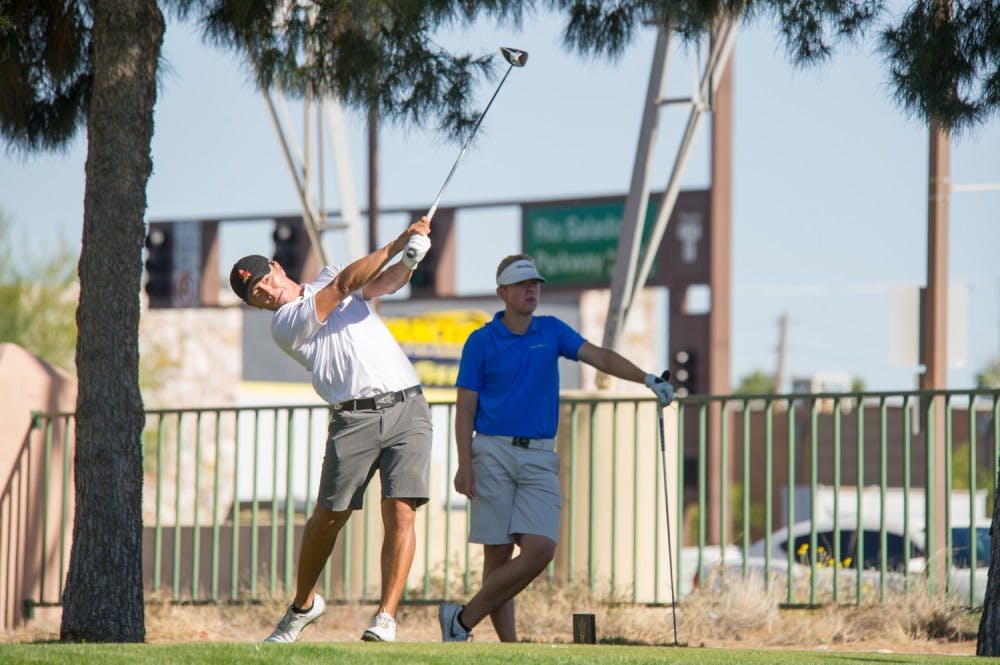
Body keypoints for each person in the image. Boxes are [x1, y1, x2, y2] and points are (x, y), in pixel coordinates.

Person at [438, 254, 674, 642]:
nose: (531, 289)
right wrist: (464, 463)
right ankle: (508, 647)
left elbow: (598, 355)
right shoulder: (480, 341)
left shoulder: (551, 331)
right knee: (496, 555)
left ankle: (461, 621)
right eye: (521, 284)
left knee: (540, 551)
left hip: (539, 455)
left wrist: (646, 378)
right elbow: (466, 407)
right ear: (502, 293)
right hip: (491, 452)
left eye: (535, 284)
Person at [229, 217, 433, 644]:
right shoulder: (284, 324)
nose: (266, 291)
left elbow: (381, 284)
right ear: (257, 305)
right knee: (329, 518)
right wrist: (397, 241)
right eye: (256, 294)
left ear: (276, 267)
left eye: (265, 280)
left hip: (407, 405)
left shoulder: (325, 277)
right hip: (353, 419)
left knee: (401, 511)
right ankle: (304, 605)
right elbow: (343, 285)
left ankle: (385, 617)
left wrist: (411, 258)